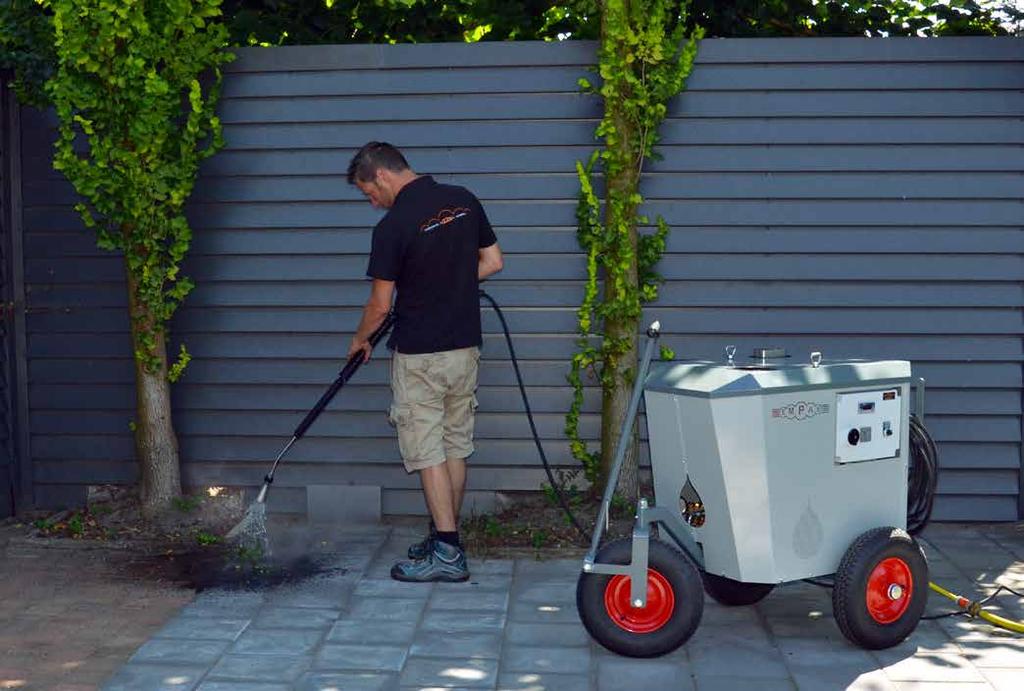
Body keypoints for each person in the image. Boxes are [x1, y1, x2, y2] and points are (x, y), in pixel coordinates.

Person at [346, 142, 503, 582]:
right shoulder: (464, 199)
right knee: (454, 443)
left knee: (428, 447)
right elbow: (493, 261)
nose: (371, 202)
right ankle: (444, 538)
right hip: (465, 348)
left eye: (367, 193)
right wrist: (448, 280)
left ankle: (448, 554)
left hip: (420, 354)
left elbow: (380, 306)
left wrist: (360, 340)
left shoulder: (393, 226)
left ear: (380, 176)